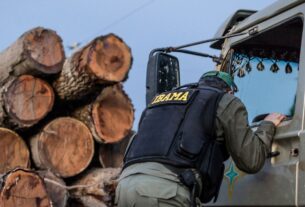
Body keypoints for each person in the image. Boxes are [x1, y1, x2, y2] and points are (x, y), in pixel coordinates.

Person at [115, 70, 285, 207]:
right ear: (229, 91)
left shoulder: (159, 102)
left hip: (124, 187)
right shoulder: (225, 100)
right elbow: (251, 160)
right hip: (164, 192)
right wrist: (267, 125)